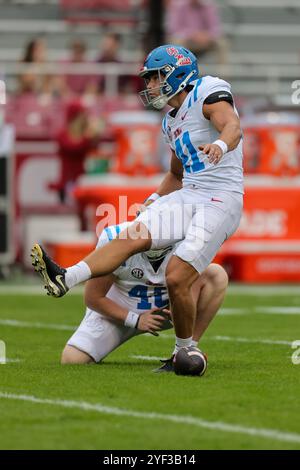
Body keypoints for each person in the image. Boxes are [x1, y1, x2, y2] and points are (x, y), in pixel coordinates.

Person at [31, 44, 243, 375]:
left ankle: (184, 351)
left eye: (155, 78)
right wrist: (156, 201)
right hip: (192, 192)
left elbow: (232, 127)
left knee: (176, 275)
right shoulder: (171, 120)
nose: (150, 86)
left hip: (221, 196)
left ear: (176, 74)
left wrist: (218, 144)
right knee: (133, 234)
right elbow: (176, 173)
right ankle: (66, 277)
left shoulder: (207, 91)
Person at [61, 222, 228, 373]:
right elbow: (93, 297)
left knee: (215, 275)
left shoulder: (188, 238)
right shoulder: (117, 238)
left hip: (168, 310)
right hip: (118, 311)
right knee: (72, 359)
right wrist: (135, 319)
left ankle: (188, 350)